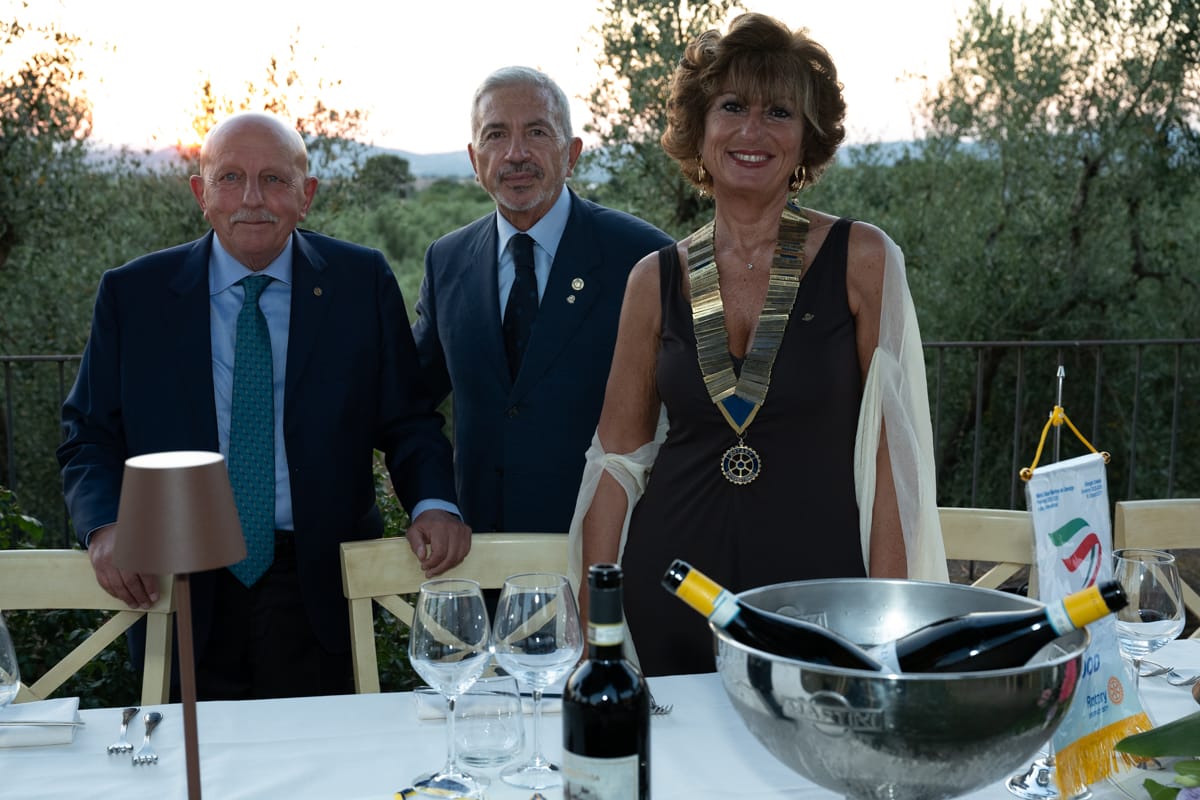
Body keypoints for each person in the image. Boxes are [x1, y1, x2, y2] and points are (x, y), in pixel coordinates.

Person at [573, 13, 948, 677]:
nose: (752, 130)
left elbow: (894, 458)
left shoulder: (863, 259)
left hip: (823, 611)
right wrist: (590, 625)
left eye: (779, 111)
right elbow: (617, 461)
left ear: (807, 138)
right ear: (699, 128)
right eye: (732, 107)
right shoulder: (652, 280)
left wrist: (888, 622)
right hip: (668, 598)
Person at [57, 111, 471, 700]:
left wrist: (434, 504)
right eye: (230, 178)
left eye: (274, 179)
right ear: (201, 194)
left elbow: (407, 420)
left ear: (307, 195)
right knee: (191, 756)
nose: (252, 198)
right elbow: (89, 434)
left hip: (316, 585)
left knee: (318, 754)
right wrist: (105, 526)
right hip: (175, 580)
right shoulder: (134, 295)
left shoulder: (360, 282)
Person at [412, 66, 672, 536]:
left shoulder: (642, 258)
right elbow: (410, 404)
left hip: (610, 548)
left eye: (537, 132)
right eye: (496, 135)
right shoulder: (446, 261)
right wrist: (434, 501)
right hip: (481, 553)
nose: (516, 154)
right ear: (474, 159)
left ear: (571, 153)